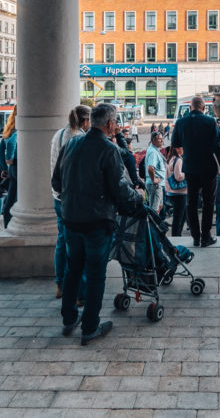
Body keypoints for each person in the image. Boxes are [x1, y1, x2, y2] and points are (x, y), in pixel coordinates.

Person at [53, 103, 144, 345]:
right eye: (116, 122)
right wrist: (138, 197)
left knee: (73, 269)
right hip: (96, 222)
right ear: (110, 124)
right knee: (95, 274)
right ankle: (90, 327)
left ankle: (68, 319)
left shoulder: (71, 143)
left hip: (71, 218)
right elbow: (120, 189)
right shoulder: (108, 149)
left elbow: (56, 180)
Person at [170, 96, 220, 248]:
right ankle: (206, 237)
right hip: (209, 168)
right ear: (203, 108)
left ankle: (195, 237)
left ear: (190, 108)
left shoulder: (181, 122)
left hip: (190, 168)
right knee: (208, 203)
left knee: (191, 202)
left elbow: (175, 143)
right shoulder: (210, 122)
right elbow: (218, 147)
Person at [50, 105, 91, 300]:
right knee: (77, 246)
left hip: (57, 196)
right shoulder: (80, 139)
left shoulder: (58, 135)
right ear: (85, 121)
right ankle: (79, 293)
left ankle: (60, 284)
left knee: (61, 241)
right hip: (73, 200)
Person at [0, 106, 18, 228]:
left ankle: (7, 225)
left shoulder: (9, 128)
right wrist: (10, 159)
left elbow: (0, 149)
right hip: (18, 166)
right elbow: (11, 142)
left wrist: (4, 167)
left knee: (11, 199)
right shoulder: (20, 127)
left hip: (12, 169)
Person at [164, 146, 187, 236]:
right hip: (180, 192)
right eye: (182, 147)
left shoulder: (171, 158)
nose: (183, 149)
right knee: (179, 217)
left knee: (178, 216)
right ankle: (176, 236)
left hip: (173, 191)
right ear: (177, 149)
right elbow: (179, 177)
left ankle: (176, 235)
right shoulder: (179, 160)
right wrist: (187, 172)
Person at [144, 130, 167, 214]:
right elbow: (150, 168)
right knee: (155, 209)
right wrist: (154, 179)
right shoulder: (153, 152)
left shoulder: (154, 150)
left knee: (159, 206)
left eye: (162, 138)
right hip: (155, 185)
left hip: (157, 185)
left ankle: (154, 225)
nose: (161, 140)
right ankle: (152, 226)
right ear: (153, 140)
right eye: (159, 139)